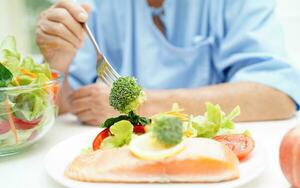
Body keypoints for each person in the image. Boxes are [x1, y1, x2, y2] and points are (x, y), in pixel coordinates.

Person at [36, 0, 300, 126]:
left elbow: (278, 96)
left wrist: (142, 104)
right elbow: (66, 104)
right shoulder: (95, 6)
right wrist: (58, 66)